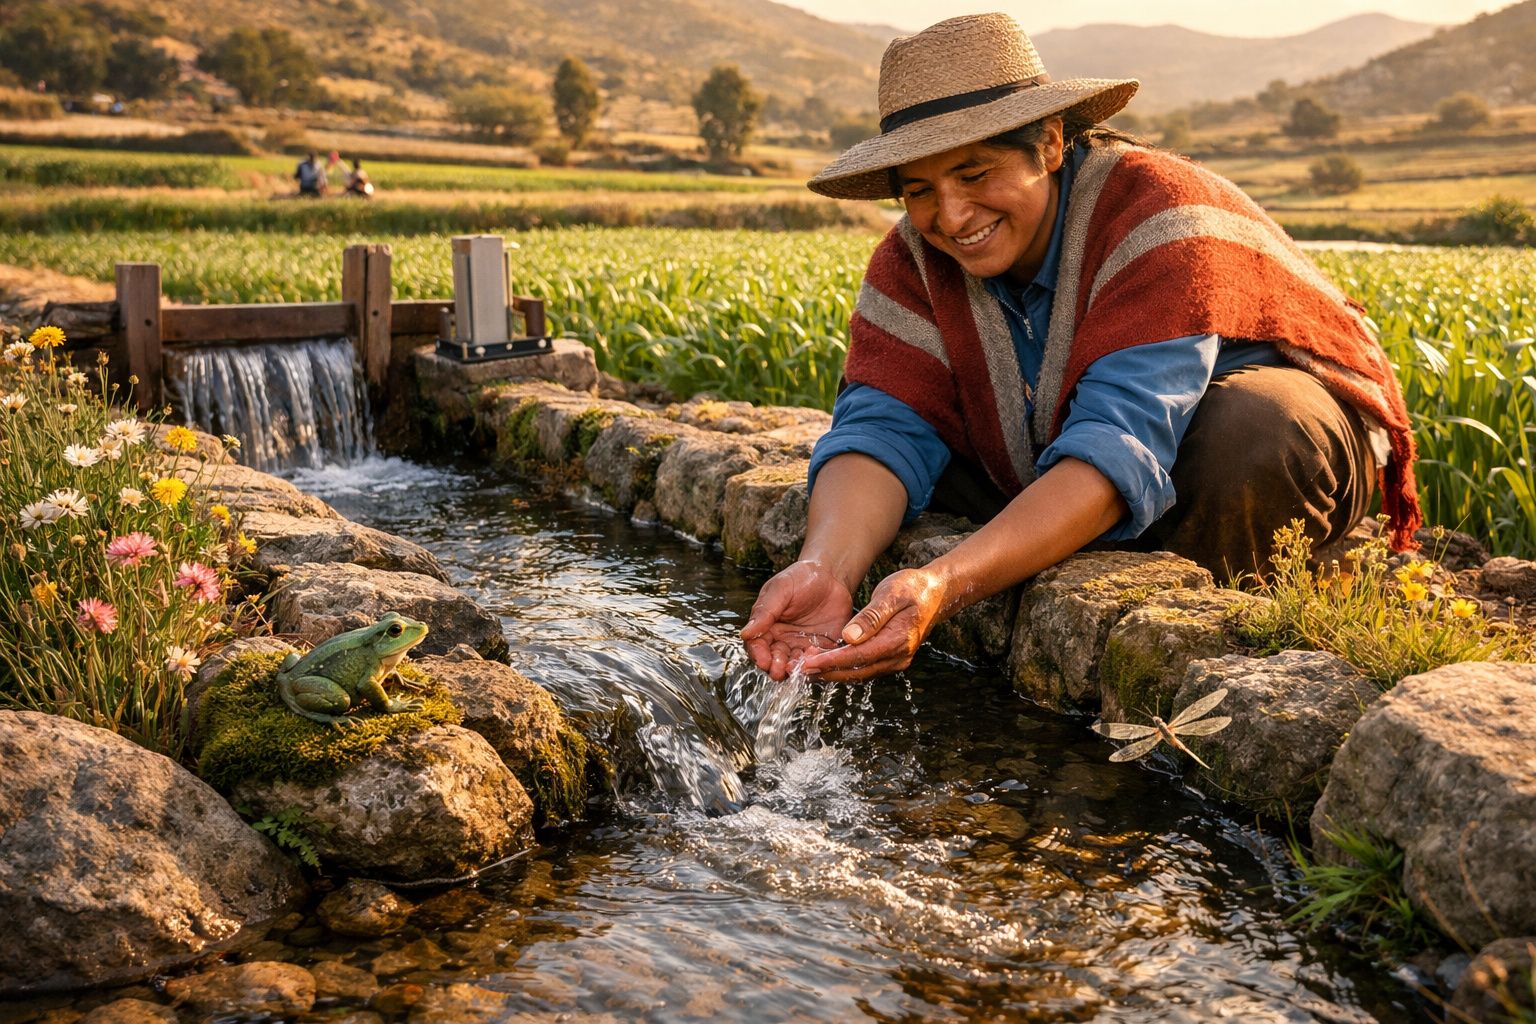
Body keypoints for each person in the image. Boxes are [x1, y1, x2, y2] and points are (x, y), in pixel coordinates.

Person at [741, 13, 1421, 684]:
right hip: (1067, 440)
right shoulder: (914, 257)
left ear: (1050, 145)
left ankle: (1201, 652)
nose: (950, 216)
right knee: (921, 455)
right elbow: (882, 424)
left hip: (1251, 440)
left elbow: (1118, 436)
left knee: (1254, 432)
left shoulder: (1153, 210)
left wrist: (944, 582)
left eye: (974, 174)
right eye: (921, 190)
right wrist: (827, 568)